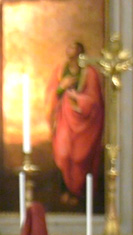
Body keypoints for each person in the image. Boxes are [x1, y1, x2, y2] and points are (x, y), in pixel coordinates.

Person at [46, 41, 104, 206]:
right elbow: (51, 94)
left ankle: (78, 193)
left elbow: (95, 101)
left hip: (84, 124)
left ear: (80, 51)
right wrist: (61, 88)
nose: (69, 49)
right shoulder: (59, 71)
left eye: (73, 46)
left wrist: (77, 99)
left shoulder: (90, 73)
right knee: (63, 154)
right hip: (64, 119)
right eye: (68, 46)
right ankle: (65, 190)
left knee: (80, 157)